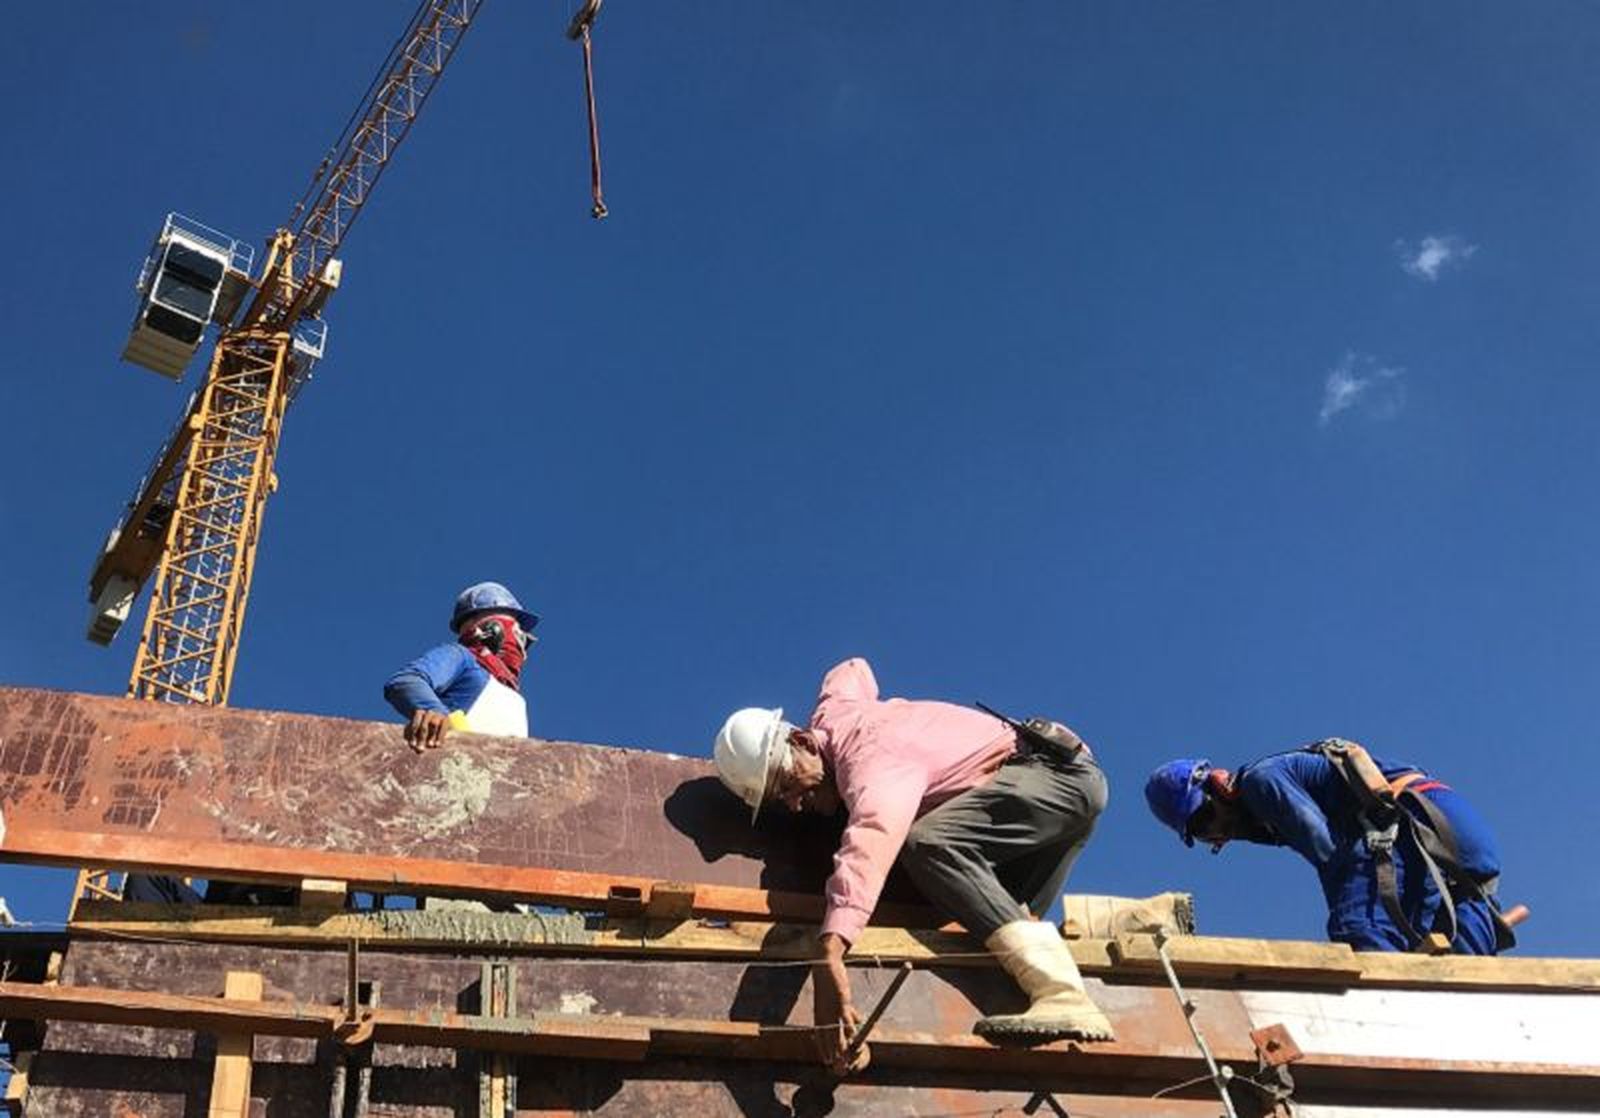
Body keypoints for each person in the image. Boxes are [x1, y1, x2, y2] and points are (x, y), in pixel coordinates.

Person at [712, 657, 1114, 1073]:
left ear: (804, 743)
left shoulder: (871, 761)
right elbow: (851, 669)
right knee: (993, 918)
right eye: (781, 800)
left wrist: (830, 950)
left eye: (787, 783)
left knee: (929, 844)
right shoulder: (836, 715)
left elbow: (872, 834)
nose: (794, 804)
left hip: (1054, 780)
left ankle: (1063, 994)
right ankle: (1053, 999)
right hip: (1058, 787)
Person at [1144, 740, 1513, 955]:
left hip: (1418, 822)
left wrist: (1348, 927)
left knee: (1361, 927)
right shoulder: (1270, 798)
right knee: (1464, 959)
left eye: (1207, 816)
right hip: (1457, 832)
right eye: (1202, 832)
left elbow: (1333, 853)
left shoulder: (1261, 782)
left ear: (1218, 785)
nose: (1217, 831)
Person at [384, 581, 539, 749]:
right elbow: (406, 681)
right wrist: (437, 714)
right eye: (517, 632)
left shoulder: (513, 698)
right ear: (492, 630)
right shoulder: (462, 657)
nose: (520, 644)